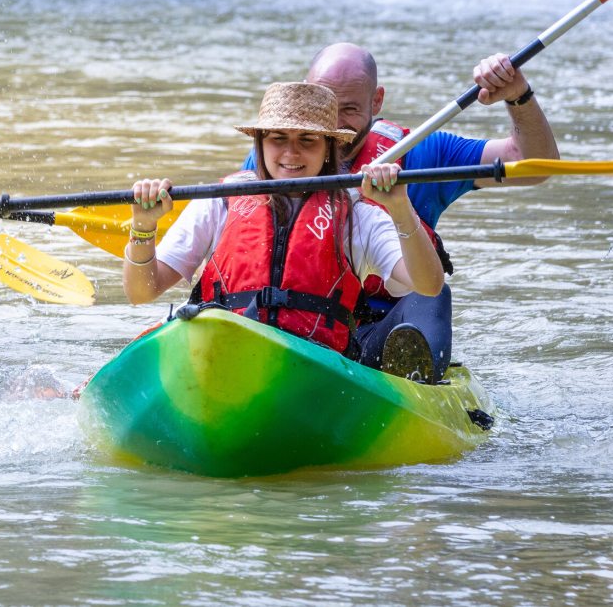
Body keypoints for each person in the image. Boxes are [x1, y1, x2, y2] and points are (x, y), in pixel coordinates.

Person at [147, 43, 557, 382]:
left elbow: (534, 165)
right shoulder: (276, 161)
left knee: (431, 295)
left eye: (349, 109)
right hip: (291, 334)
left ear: (376, 101)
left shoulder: (423, 152)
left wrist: (517, 95)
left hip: (380, 329)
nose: (331, 121)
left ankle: (413, 380)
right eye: (323, 104)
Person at [124, 82, 444, 366]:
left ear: (328, 147)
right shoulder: (218, 202)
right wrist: (143, 226)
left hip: (313, 368)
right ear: (261, 143)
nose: (291, 152)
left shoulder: (357, 215)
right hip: (221, 357)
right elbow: (142, 291)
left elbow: (429, 285)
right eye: (278, 138)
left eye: (307, 140)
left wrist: (400, 207)